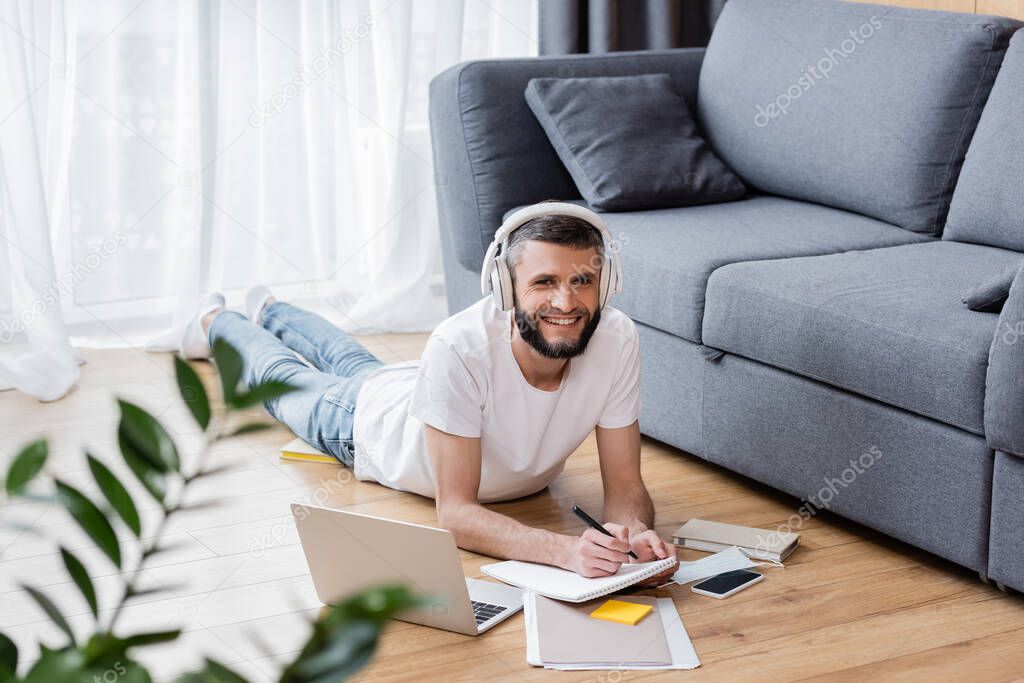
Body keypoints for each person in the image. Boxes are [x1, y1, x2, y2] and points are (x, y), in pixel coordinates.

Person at [180, 202, 678, 582]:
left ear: (606, 282)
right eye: (543, 281)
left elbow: (625, 484)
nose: (565, 301)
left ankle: (270, 309)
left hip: (415, 392)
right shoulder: (459, 346)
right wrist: (565, 552)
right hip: (364, 426)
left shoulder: (616, 339)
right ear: (505, 288)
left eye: (582, 280)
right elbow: (457, 514)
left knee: (353, 361)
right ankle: (216, 320)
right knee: (282, 378)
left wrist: (632, 531)